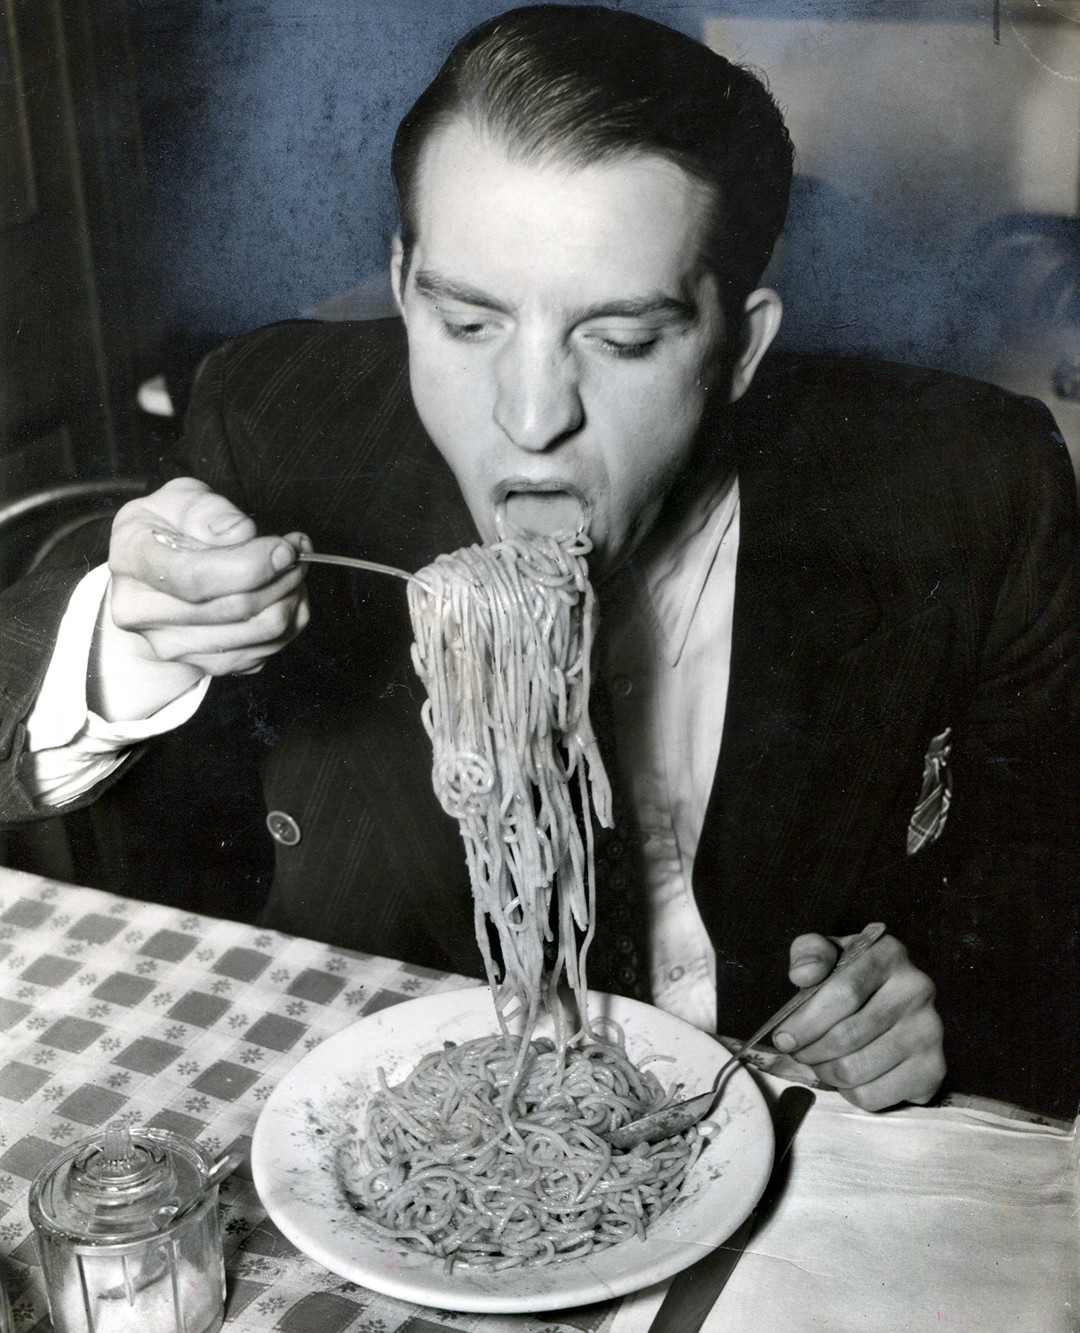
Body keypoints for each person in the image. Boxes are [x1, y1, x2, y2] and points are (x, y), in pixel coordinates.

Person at [1, 5, 1077, 1117]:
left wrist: (941, 995)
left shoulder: (973, 486)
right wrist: (121, 638)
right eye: (467, 323)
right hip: (412, 1134)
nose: (529, 417)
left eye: (618, 340)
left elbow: (1046, 873)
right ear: (403, 281)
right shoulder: (274, 417)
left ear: (739, 345)